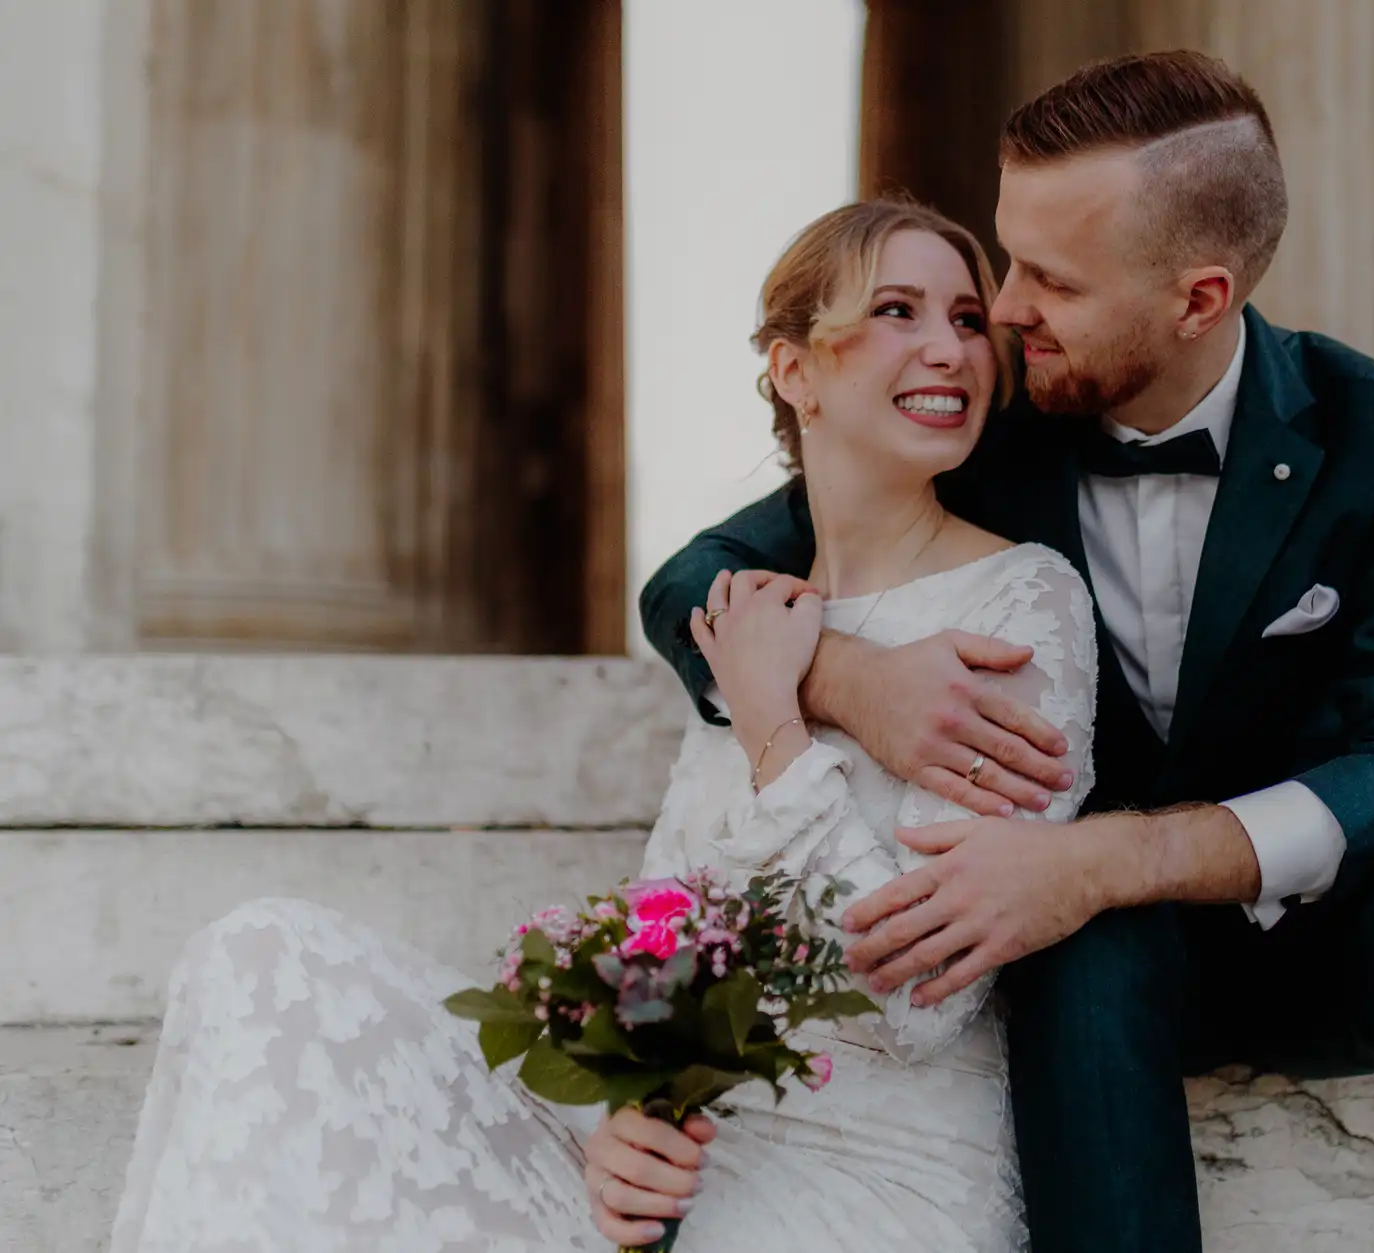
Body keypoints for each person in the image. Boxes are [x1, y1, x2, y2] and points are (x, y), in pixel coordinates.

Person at [637, 50, 1374, 1253]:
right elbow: (686, 583)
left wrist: (1109, 858)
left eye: (1050, 278)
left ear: (1197, 297)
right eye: (1006, 253)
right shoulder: (984, 420)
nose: (1004, 307)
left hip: (1321, 924)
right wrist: (847, 679)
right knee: (1083, 943)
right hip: (1096, 964)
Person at [109, 200, 1098, 1252]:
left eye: (961, 317)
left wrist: (776, 725)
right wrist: (627, 1106)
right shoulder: (750, 615)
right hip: (697, 1146)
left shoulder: (1021, 603)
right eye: (897, 310)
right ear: (795, 371)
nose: (949, 346)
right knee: (262, 956)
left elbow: (922, 1003)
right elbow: (675, 929)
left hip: (875, 1179)